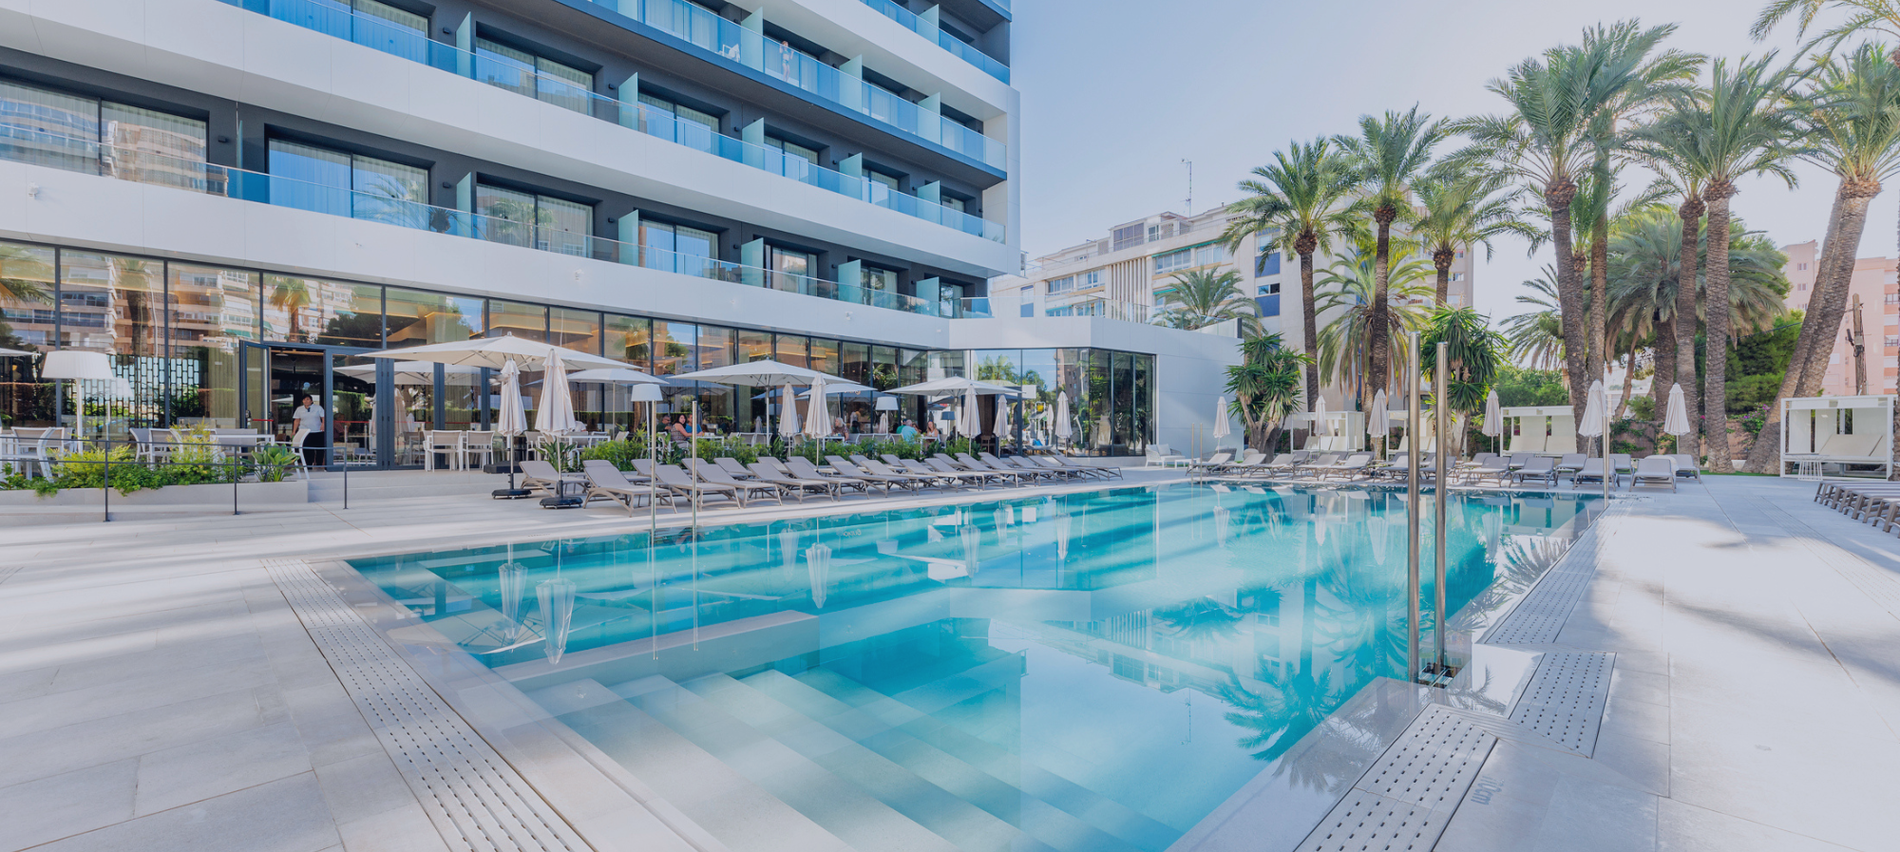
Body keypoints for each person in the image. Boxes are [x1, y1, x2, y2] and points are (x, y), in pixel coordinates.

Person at [290, 393, 325, 466]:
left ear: (311, 401)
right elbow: (296, 420)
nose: (305, 401)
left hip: (317, 431)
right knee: (306, 449)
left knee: (319, 449)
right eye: (304, 400)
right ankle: (308, 464)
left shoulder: (318, 408)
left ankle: (319, 464)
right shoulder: (299, 409)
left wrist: (323, 424)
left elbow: (323, 417)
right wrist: (294, 431)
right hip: (304, 432)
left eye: (307, 399)